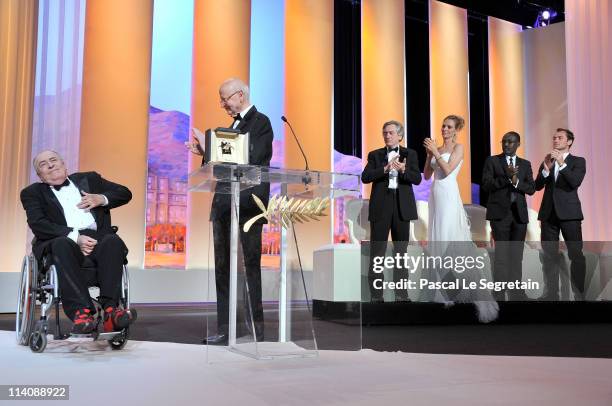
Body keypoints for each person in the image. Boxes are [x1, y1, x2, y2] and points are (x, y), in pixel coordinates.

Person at [187, 78, 273, 344]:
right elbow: (225, 161)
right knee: (223, 269)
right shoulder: (230, 127)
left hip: (248, 205)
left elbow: (253, 157)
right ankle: (226, 329)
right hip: (225, 204)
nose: (221, 103)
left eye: (224, 98)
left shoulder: (261, 122)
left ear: (239, 95)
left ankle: (255, 330)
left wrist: (212, 144)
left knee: (250, 267)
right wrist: (206, 152)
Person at [20, 150, 136, 334]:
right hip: (62, 240)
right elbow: (38, 224)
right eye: (43, 164)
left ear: (64, 164)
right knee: (61, 244)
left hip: (98, 239)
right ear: (40, 175)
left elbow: (125, 193)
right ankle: (82, 312)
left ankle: (110, 311)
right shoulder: (32, 193)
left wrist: (101, 199)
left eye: (53, 160)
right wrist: (75, 237)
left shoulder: (89, 179)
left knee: (113, 242)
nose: (50, 165)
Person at [423, 115, 498, 323]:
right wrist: (429, 154)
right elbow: (427, 175)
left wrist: (436, 153)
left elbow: (447, 171)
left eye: (448, 127)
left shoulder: (459, 147)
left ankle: (467, 293)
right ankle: (443, 293)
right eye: (443, 126)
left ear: (456, 130)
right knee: (437, 242)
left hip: (448, 197)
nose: (444, 129)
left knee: (448, 241)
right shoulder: (437, 148)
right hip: (435, 197)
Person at [361, 120, 421, 302]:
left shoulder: (410, 154)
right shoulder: (375, 155)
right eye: (385, 132)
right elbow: (365, 177)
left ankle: (401, 294)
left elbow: (417, 179)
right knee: (377, 253)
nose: (387, 135)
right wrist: (385, 168)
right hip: (381, 206)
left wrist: (403, 170)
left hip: (402, 206)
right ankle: (376, 296)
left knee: (401, 253)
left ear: (400, 136)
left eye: (391, 133)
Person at [482, 131, 535, 301]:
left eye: (510, 142)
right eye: (504, 141)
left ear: (518, 144)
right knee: (501, 255)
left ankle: (516, 292)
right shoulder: (492, 161)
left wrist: (516, 182)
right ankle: (499, 293)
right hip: (500, 215)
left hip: (519, 216)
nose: (506, 145)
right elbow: (486, 185)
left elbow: (531, 189)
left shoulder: (525, 164)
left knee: (516, 255)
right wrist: (507, 178)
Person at [535, 128, 586, 300]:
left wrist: (562, 164)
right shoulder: (548, 160)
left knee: (576, 254)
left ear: (569, 142)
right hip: (549, 215)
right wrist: (546, 170)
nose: (555, 140)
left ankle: (579, 294)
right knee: (549, 255)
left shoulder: (578, 161)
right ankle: (551, 293)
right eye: (554, 137)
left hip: (570, 214)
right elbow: (537, 186)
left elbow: (574, 182)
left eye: (560, 138)